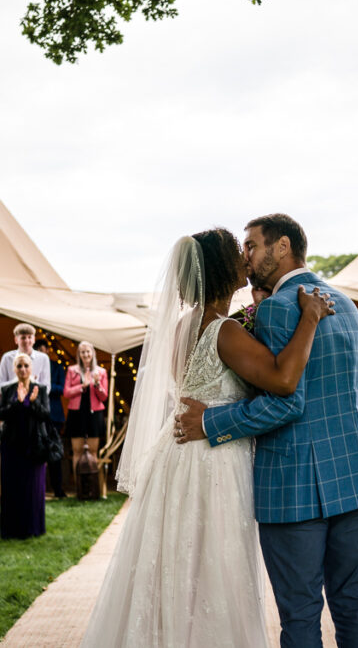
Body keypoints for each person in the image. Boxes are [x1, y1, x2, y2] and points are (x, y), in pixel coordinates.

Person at [81, 227, 337, 647]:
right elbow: (282, 380)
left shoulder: (184, 326)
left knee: (174, 566)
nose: (246, 257)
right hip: (213, 460)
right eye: (239, 251)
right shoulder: (224, 331)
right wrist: (308, 319)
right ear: (220, 266)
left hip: (177, 456)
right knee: (212, 568)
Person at [176, 215, 358, 648]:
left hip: (294, 487)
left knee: (301, 614)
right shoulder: (345, 305)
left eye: (252, 246)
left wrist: (211, 422)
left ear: (282, 246)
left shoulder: (275, 308)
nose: (246, 257)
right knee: (353, 604)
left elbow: (287, 400)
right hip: (354, 476)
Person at [0, 353, 50, 539]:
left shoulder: (40, 389)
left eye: (26, 365)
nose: (23, 369)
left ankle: (33, 528)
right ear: (14, 369)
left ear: (31, 368)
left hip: (34, 446)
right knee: (13, 487)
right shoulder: (8, 390)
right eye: (19, 366)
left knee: (33, 487)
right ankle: (11, 530)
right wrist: (18, 403)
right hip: (12, 446)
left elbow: (45, 415)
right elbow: (1, 413)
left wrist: (33, 402)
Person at [63, 340, 109, 469]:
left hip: (94, 414)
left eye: (88, 351)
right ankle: (79, 487)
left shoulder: (101, 372)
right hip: (76, 413)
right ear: (79, 354)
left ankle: (92, 486)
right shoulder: (72, 370)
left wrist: (97, 384)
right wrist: (81, 387)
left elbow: (104, 397)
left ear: (93, 353)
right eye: (82, 352)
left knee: (93, 451)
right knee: (77, 451)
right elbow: (66, 393)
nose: (85, 354)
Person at [35, 339, 67, 498]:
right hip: (35, 415)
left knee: (55, 453)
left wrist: (45, 387)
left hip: (54, 414)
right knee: (37, 452)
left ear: (48, 351)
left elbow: (63, 388)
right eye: (39, 349)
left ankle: (58, 489)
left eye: (44, 349)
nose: (43, 351)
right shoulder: (30, 366)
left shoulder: (57, 367)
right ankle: (39, 489)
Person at [0, 323, 50, 394]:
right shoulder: (7, 358)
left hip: (35, 402)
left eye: (29, 337)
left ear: (34, 339)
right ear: (16, 340)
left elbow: (46, 389)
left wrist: (31, 381)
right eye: (23, 338)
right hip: (12, 402)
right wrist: (17, 381)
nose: (27, 341)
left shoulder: (43, 358)